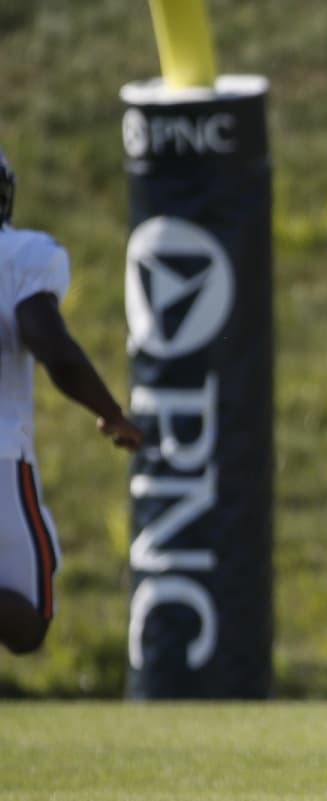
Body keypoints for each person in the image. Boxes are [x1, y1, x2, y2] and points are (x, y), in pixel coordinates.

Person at [0, 147, 143, 656]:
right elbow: (50, 344)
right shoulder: (20, 255)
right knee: (29, 622)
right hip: (1, 454)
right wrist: (111, 413)